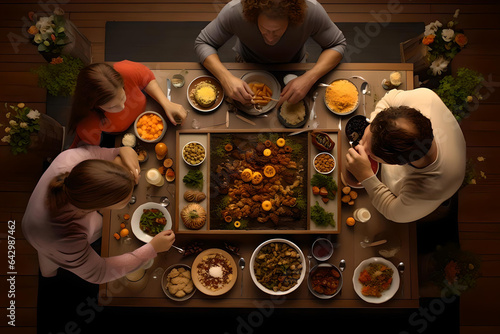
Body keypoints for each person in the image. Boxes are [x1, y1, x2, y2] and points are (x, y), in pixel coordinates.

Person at [22, 145, 175, 284]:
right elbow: (100, 273)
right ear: (102, 207)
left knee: (96, 228)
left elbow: (104, 153)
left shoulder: (71, 158)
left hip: (52, 217)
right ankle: (49, 274)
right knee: (50, 258)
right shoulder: (66, 238)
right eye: (125, 201)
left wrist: (122, 150)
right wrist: (151, 249)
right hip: (40, 233)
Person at [345, 88, 466, 223]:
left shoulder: (428, 190)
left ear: (397, 164)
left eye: (370, 154)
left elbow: (392, 212)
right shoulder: (424, 98)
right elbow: (389, 98)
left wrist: (366, 176)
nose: (359, 145)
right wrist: (375, 131)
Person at [194, 0, 346, 106]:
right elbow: (203, 43)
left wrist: (310, 77)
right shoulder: (234, 11)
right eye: (264, 30)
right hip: (247, 63)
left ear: (293, 18)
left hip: (294, 65)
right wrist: (225, 78)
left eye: (277, 31)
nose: (270, 38)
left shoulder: (311, 11)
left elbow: (337, 44)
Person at [68, 60, 187, 148]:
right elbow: (92, 151)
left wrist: (166, 103)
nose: (122, 107)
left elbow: (147, 78)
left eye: (123, 97)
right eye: (112, 107)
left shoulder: (125, 71)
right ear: (93, 105)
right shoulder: (87, 125)